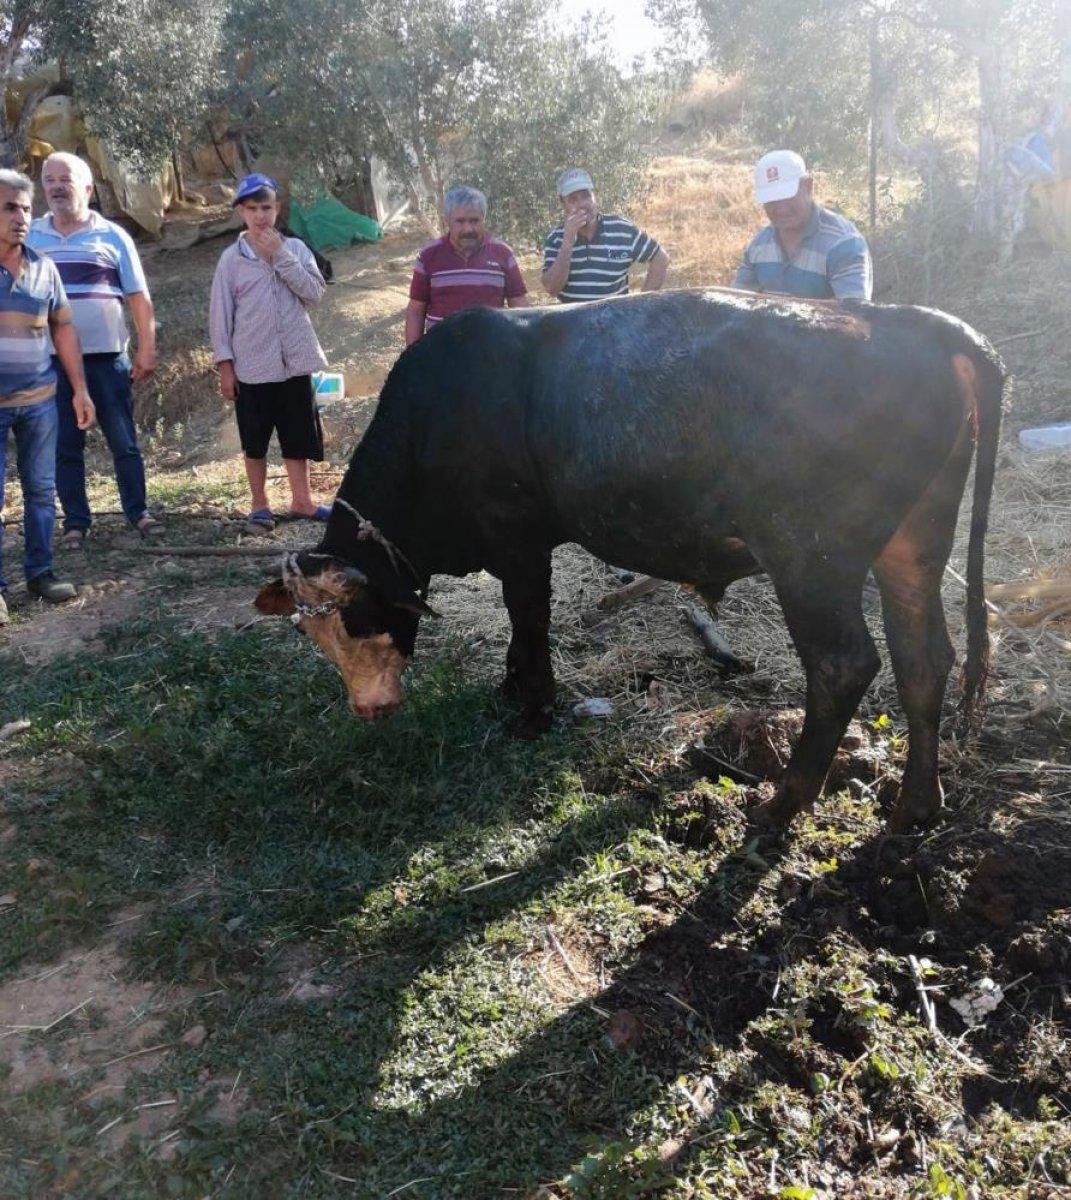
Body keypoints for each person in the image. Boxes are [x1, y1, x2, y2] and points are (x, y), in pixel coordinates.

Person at [27, 152, 161, 548]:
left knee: (123, 441)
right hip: (49, 361)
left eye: (65, 179)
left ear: (87, 188)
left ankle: (138, 513)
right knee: (64, 445)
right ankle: (75, 523)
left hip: (107, 359)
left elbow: (138, 297)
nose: (56, 187)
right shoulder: (30, 236)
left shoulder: (113, 235)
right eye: (49, 180)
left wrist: (147, 348)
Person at [209, 173, 331, 532]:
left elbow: (314, 294)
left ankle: (302, 501)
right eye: (252, 209)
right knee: (255, 440)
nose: (261, 216)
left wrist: (280, 255)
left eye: (266, 207)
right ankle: (260, 505)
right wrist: (226, 366)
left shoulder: (295, 250)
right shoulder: (231, 260)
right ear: (241, 212)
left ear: (277, 209)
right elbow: (220, 316)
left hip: (294, 364)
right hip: (252, 367)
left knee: (298, 435)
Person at [0, 169, 95, 624]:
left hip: (39, 401)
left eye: (25, 209)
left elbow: (63, 329)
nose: (20, 218)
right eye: (9, 208)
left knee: (41, 491)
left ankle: (40, 572)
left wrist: (80, 390)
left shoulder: (44, 268)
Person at [734, 150, 873, 300]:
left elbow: (852, 312)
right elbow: (737, 302)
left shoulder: (843, 244)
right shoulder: (758, 246)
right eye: (771, 199)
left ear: (808, 186)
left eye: (787, 196)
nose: (781, 209)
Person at [405, 186, 529, 345]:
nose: (468, 228)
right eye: (460, 221)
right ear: (447, 221)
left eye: (474, 220)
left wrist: (524, 348)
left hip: (491, 352)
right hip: (440, 351)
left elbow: (519, 307)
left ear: (484, 219)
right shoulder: (428, 256)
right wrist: (413, 354)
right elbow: (416, 311)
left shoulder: (503, 254)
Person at [542, 168, 669, 303]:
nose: (582, 204)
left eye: (586, 196)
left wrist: (642, 303)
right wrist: (567, 243)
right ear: (563, 204)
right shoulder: (556, 239)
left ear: (594, 196)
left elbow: (660, 258)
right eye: (573, 199)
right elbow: (552, 289)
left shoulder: (621, 230)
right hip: (574, 317)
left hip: (615, 316)